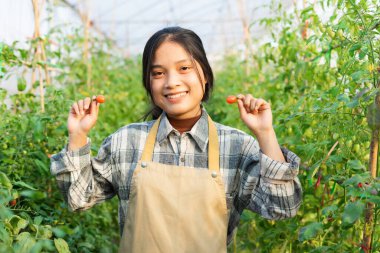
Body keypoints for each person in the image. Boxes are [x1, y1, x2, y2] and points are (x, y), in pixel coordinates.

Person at [50, 26, 302, 253]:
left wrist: (265, 133)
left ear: (204, 74)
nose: (172, 82)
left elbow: (282, 207)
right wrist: (78, 134)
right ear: (149, 83)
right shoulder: (127, 141)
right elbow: (79, 198)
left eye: (184, 68)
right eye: (158, 73)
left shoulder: (235, 146)